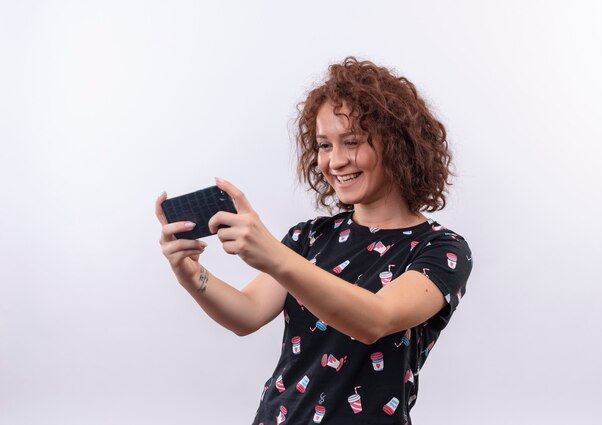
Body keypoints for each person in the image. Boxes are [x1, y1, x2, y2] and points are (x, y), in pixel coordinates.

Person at [155, 57, 472, 425]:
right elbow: (247, 312)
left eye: (351, 142)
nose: (335, 161)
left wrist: (273, 255)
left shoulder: (441, 250)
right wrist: (192, 275)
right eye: (324, 145)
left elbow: (376, 319)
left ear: (399, 145)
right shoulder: (311, 236)